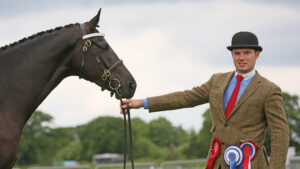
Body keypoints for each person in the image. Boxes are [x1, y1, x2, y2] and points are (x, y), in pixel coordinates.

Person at [120, 31, 289, 169]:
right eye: (237, 53)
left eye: (247, 53)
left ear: (257, 54)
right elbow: (185, 98)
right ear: (232, 54)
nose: (241, 58)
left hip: (251, 163)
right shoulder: (217, 81)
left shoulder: (269, 90)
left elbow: (280, 133)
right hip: (216, 162)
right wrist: (142, 102)